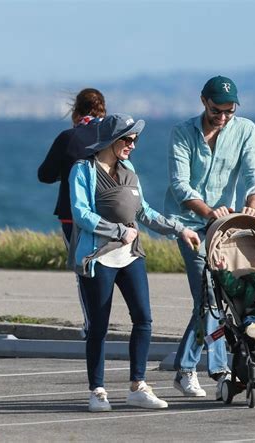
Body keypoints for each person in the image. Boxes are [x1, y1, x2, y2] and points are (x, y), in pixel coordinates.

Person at [68, 113, 200, 412]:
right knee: (98, 327)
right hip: (98, 259)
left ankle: (137, 386)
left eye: (135, 139)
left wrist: (181, 229)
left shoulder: (128, 169)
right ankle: (97, 391)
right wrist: (118, 231)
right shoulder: (83, 170)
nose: (132, 145)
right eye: (127, 139)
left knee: (143, 319)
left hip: (130, 257)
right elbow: (81, 213)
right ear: (112, 140)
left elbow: (145, 212)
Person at [164, 75, 255, 399]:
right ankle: (215, 371)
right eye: (216, 111)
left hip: (224, 228)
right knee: (207, 300)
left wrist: (251, 207)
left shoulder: (245, 130)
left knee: (222, 301)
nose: (222, 118)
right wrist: (208, 213)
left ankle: (185, 369)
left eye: (229, 112)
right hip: (190, 226)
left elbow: (253, 175)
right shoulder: (182, 133)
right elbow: (180, 186)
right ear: (204, 101)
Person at [38, 88, 106, 336]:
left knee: (84, 270)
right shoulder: (114, 135)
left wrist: (67, 172)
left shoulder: (68, 137)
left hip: (73, 214)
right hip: (109, 213)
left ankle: (92, 327)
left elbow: (44, 174)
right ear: (103, 111)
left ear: (75, 112)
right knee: (110, 268)